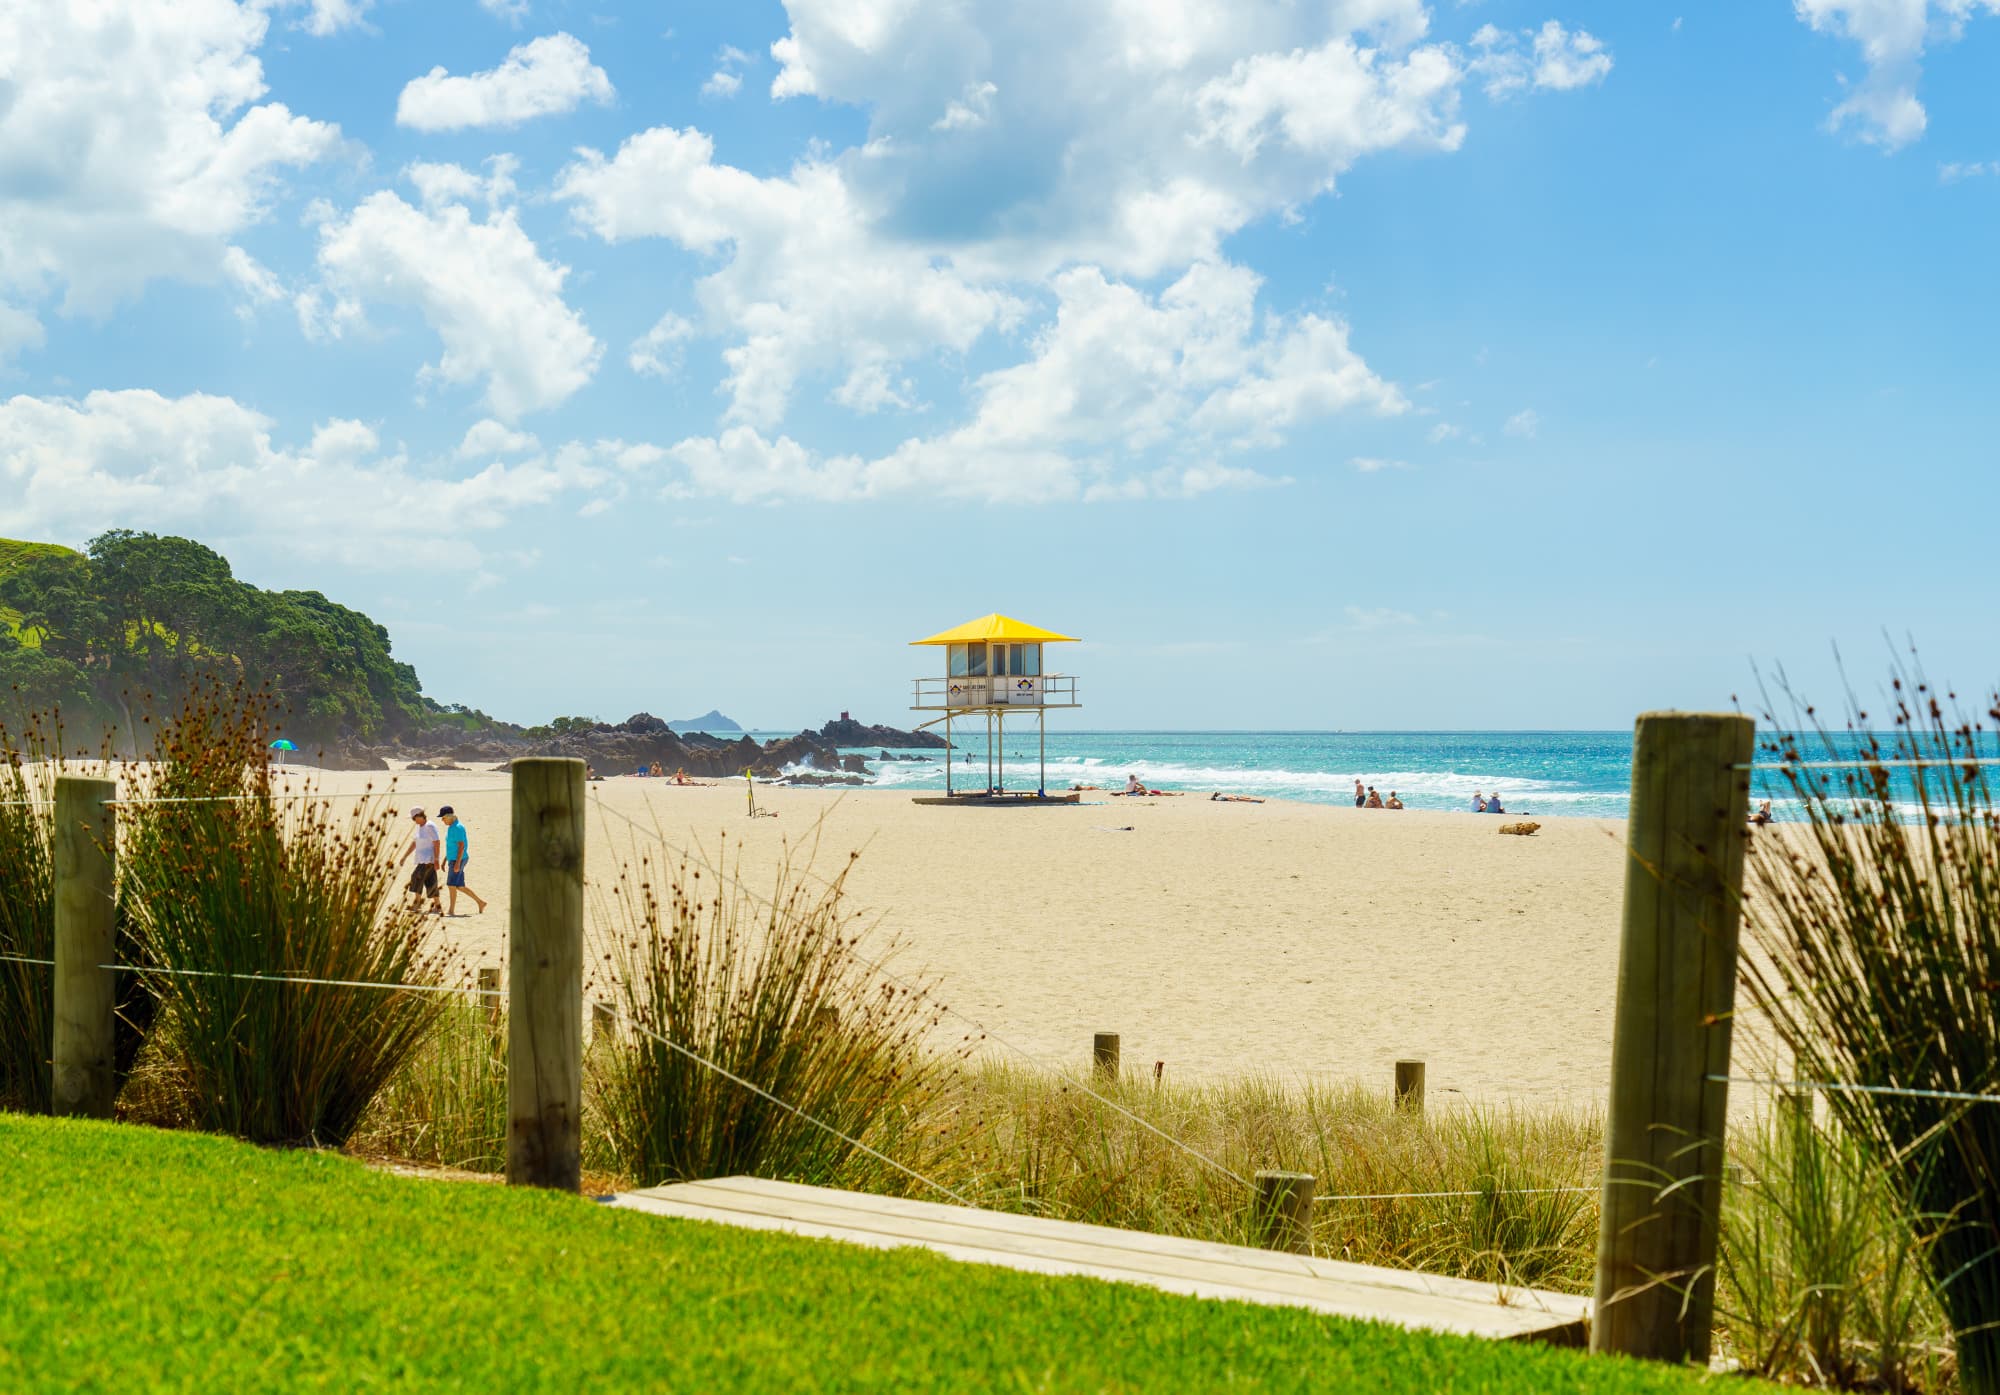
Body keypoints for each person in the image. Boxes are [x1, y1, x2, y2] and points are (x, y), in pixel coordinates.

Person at [438, 806, 487, 916]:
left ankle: (451, 910)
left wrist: (457, 863)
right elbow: (451, 846)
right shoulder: (451, 827)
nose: (442, 820)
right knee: (459, 886)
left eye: (443, 818)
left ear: (449, 817)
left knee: (451, 885)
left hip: (458, 859)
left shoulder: (458, 828)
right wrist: (445, 860)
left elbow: (461, 846)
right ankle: (480, 902)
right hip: (453, 859)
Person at [405, 807, 444, 916]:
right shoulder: (419, 827)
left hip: (428, 860)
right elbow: (415, 843)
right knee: (431, 882)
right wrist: (404, 856)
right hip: (421, 859)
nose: (414, 821)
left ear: (419, 816)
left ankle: (417, 904)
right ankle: (437, 906)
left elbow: (437, 842)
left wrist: (436, 859)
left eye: (414, 818)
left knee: (416, 877)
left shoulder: (429, 826)